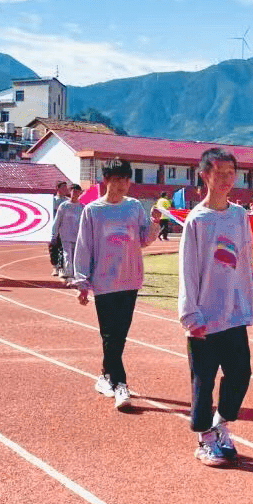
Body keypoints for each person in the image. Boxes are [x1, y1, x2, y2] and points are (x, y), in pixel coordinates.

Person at [179, 148, 253, 467]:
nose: (225, 179)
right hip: (205, 318)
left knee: (240, 374)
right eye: (218, 173)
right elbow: (188, 270)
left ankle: (220, 424)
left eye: (230, 173)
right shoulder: (197, 220)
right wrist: (191, 315)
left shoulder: (239, 215)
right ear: (205, 175)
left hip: (234, 313)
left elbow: (246, 256)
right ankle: (204, 438)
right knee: (203, 382)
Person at [72, 158, 161, 410]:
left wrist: (154, 223)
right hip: (105, 281)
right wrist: (82, 282)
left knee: (118, 337)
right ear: (106, 180)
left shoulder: (134, 207)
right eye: (118, 179)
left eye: (126, 178)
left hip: (130, 279)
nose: (123, 184)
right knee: (110, 335)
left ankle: (104, 375)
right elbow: (84, 247)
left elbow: (143, 240)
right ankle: (121, 384)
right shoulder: (93, 211)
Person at [52, 184, 85, 285]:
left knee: (76, 257)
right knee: (67, 256)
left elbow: (85, 223)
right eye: (73, 192)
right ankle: (69, 276)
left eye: (77, 192)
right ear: (70, 192)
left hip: (78, 237)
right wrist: (54, 235)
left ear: (80, 193)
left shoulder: (83, 207)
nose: (74, 194)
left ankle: (75, 275)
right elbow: (57, 221)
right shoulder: (64, 206)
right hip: (65, 236)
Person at [50, 180, 70, 276]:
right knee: (53, 248)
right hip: (54, 228)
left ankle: (61, 268)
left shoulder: (68, 201)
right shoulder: (53, 200)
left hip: (65, 228)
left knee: (63, 249)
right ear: (58, 189)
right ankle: (55, 267)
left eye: (66, 188)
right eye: (64, 188)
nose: (66, 189)